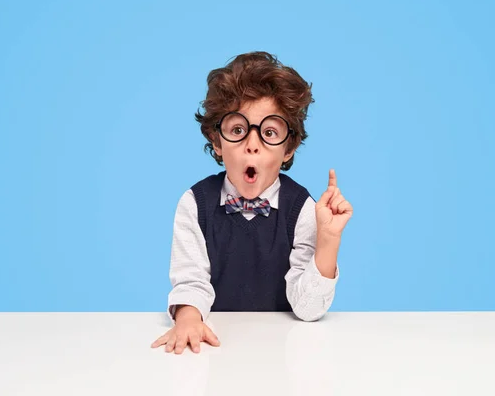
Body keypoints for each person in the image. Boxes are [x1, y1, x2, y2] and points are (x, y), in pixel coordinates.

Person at [151, 51, 353, 354]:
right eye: (238, 130)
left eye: (270, 132)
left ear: (288, 148)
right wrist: (188, 319)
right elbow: (190, 281)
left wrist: (328, 241)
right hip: (215, 348)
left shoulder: (303, 209)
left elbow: (308, 309)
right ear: (217, 142)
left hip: (285, 350)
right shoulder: (195, 204)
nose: (252, 145)